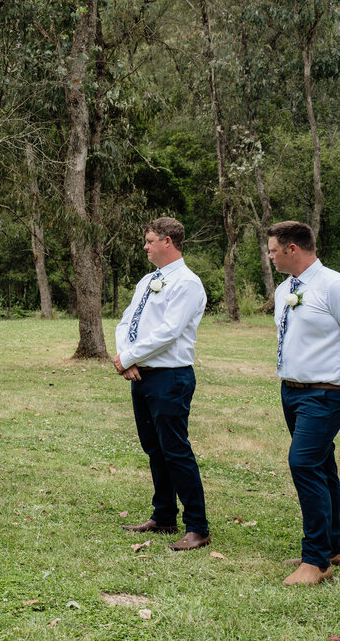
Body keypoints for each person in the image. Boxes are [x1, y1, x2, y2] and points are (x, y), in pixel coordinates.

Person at [113, 217, 210, 552]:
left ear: (168, 241)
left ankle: (197, 525)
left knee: (175, 448)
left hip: (170, 376)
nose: (145, 246)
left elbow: (169, 331)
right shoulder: (147, 281)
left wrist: (129, 357)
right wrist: (126, 354)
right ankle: (164, 514)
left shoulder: (187, 283)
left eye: (150, 240)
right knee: (153, 447)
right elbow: (127, 319)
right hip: (142, 374)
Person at [267, 220, 340, 586]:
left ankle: (316, 561)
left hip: (326, 392)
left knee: (303, 462)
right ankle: (335, 544)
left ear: (292, 248)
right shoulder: (284, 290)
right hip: (291, 390)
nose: (270, 256)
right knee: (323, 466)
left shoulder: (333, 285)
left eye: (273, 250)